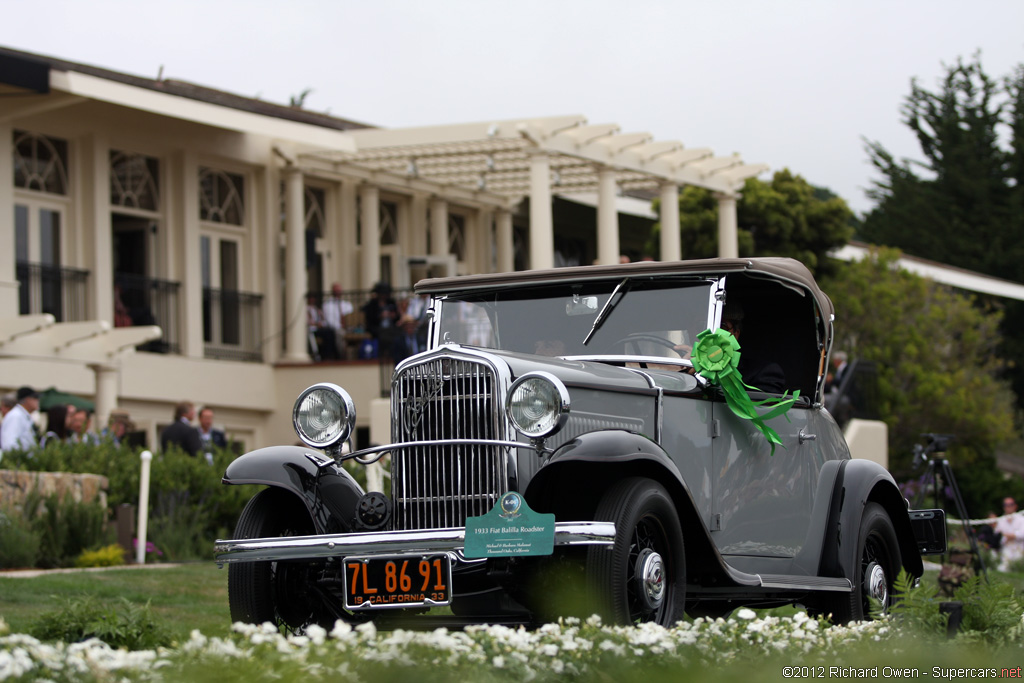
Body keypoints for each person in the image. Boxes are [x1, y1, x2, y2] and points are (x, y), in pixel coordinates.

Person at [720, 301, 786, 394]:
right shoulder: (692, 362)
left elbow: (761, 407)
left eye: (723, 326)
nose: (711, 333)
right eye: (702, 324)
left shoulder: (763, 373)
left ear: (735, 334)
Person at [362, 282, 400, 355]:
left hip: (391, 327)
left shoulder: (391, 303)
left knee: (397, 334)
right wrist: (380, 317)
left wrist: (393, 316)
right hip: (377, 328)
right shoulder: (372, 304)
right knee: (383, 336)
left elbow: (397, 317)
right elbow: (370, 319)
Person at [0, 386, 40, 455]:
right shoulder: (16, 416)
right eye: (35, 398)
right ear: (27, 399)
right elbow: (9, 445)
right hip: (19, 464)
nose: (38, 401)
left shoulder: (22, 416)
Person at [322, 283, 354, 356]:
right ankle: (342, 355)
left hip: (349, 328)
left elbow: (350, 318)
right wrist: (340, 327)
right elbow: (329, 320)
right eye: (336, 291)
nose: (337, 293)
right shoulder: (327, 305)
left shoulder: (347, 304)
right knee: (340, 334)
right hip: (336, 328)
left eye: (339, 291)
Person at [995, 497, 1024, 571]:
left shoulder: (1021, 519)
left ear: (1015, 506)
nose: (1008, 507)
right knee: (1003, 568)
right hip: (1006, 549)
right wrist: (1008, 537)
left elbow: (1022, 534)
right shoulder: (1001, 520)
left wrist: (1011, 535)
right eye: (1006, 505)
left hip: (1020, 549)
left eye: (1011, 504)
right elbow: (997, 537)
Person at [307, 295, 339, 360]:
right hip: (312, 329)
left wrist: (321, 323)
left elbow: (323, 319)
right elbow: (308, 321)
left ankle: (331, 354)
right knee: (327, 333)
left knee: (331, 332)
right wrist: (316, 324)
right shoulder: (306, 309)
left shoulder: (316, 309)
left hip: (319, 328)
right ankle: (325, 355)